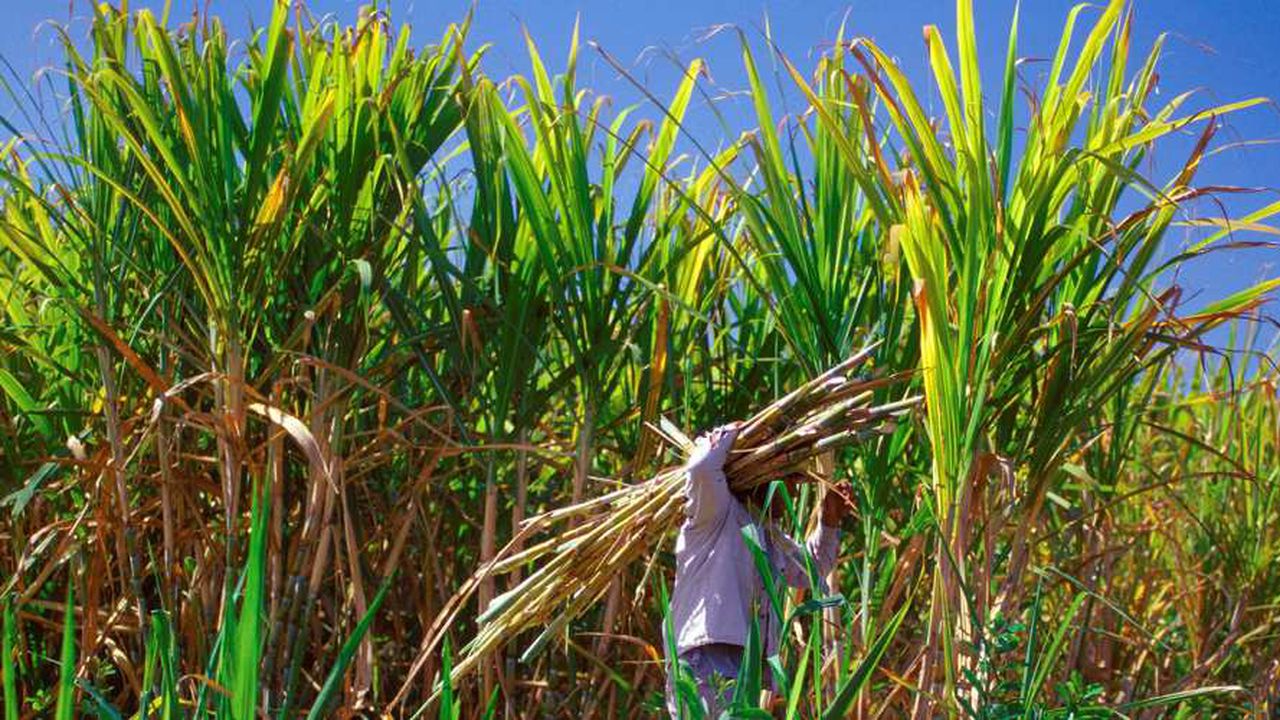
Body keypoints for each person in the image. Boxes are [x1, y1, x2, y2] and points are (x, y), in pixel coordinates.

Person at [665, 422, 852, 717]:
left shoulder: (765, 532)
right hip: (707, 661)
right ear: (764, 476)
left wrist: (828, 523)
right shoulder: (716, 513)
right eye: (789, 481)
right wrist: (733, 433)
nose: (791, 492)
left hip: (744, 667)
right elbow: (701, 469)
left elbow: (809, 571)